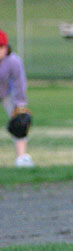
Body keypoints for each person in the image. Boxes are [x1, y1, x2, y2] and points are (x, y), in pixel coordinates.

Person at [0, 29, 34, 168]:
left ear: (7, 47)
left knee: (20, 121)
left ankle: (21, 158)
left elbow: (20, 83)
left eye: (1, 47)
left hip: (7, 94)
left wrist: (20, 104)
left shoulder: (13, 61)